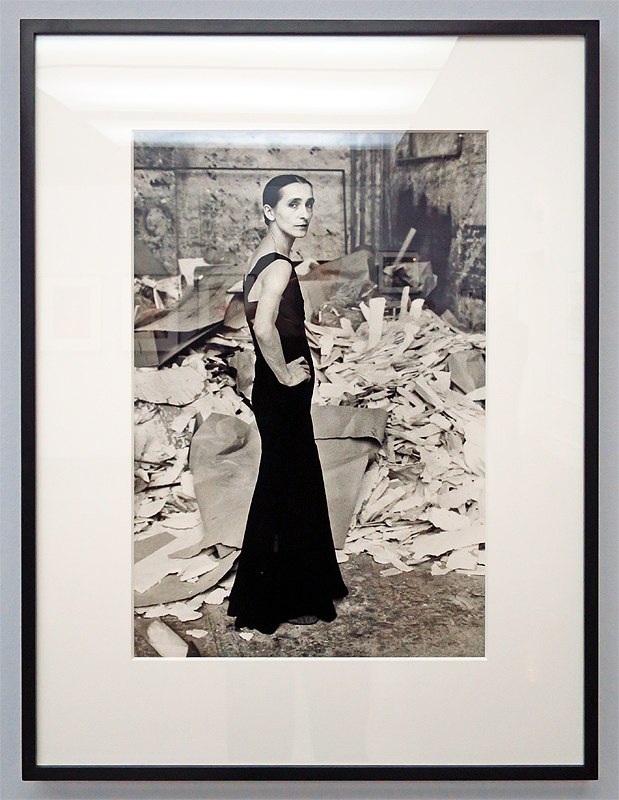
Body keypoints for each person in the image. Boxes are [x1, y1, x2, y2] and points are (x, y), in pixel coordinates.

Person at [227, 174, 348, 634]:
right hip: (281, 391)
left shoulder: (261, 257)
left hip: (274, 393)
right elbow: (262, 327)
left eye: (309, 204)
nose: (304, 213)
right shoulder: (278, 266)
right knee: (288, 487)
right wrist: (284, 372)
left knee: (290, 483)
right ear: (269, 211)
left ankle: (290, 587)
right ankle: (277, 598)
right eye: (293, 204)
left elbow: (261, 320)